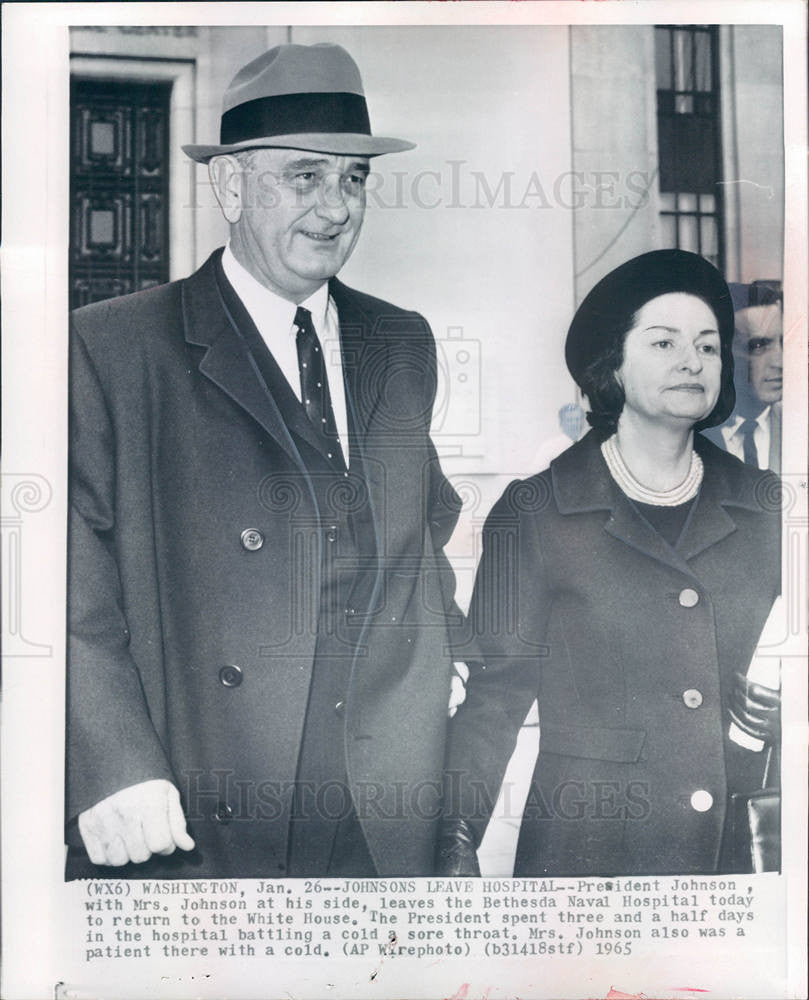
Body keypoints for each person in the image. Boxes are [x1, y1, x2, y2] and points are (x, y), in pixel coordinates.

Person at [66, 43, 463, 879]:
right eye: (305, 176)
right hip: (197, 797)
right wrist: (114, 763)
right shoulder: (114, 346)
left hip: (379, 803)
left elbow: (422, 524)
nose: (334, 207)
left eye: (353, 179)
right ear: (231, 186)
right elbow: (67, 582)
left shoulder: (401, 342)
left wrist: (442, 656)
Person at [438, 250, 780, 877]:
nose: (691, 360)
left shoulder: (768, 508)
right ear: (612, 364)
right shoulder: (535, 512)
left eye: (707, 347)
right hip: (588, 858)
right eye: (663, 342)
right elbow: (495, 695)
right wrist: (453, 841)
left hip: (738, 856)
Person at [702, 280, 783, 472]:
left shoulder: (797, 426)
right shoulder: (691, 434)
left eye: (783, 343)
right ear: (722, 353)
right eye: (758, 346)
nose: (780, 363)